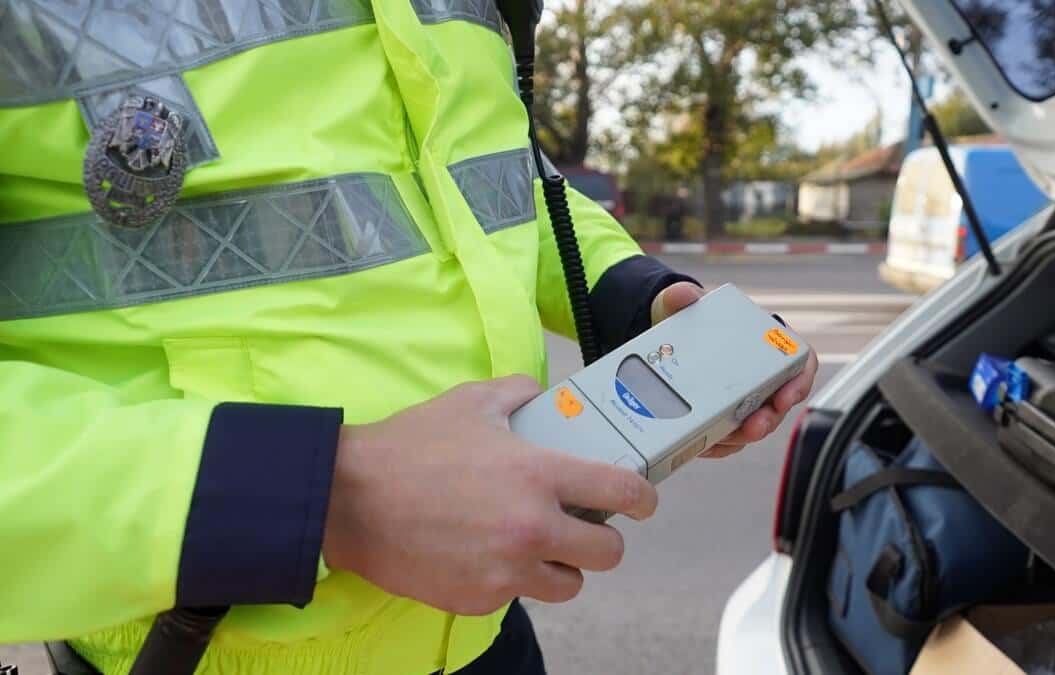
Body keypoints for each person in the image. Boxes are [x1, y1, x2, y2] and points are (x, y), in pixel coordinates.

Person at [0, 3, 819, 674]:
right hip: (196, 650)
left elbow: (490, 176)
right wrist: (325, 493)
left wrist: (625, 293)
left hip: (485, 634)